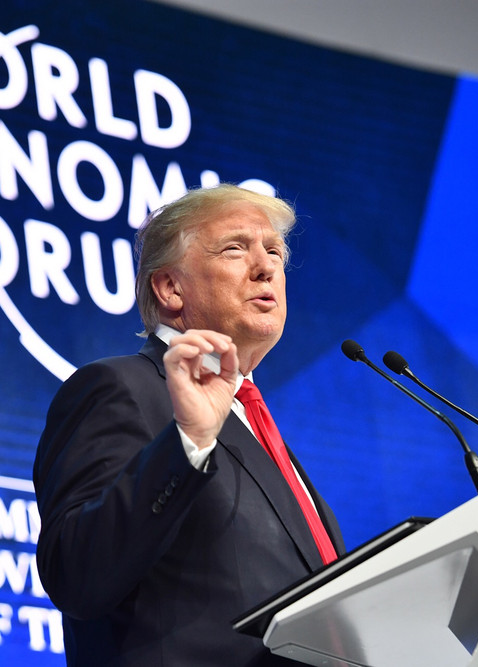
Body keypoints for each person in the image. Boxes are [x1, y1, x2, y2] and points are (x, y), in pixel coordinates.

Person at [32, 184, 344, 666]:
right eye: (235, 248)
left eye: (274, 252)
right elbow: (77, 575)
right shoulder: (121, 388)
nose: (266, 267)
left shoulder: (258, 427)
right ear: (170, 288)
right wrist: (189, 443)